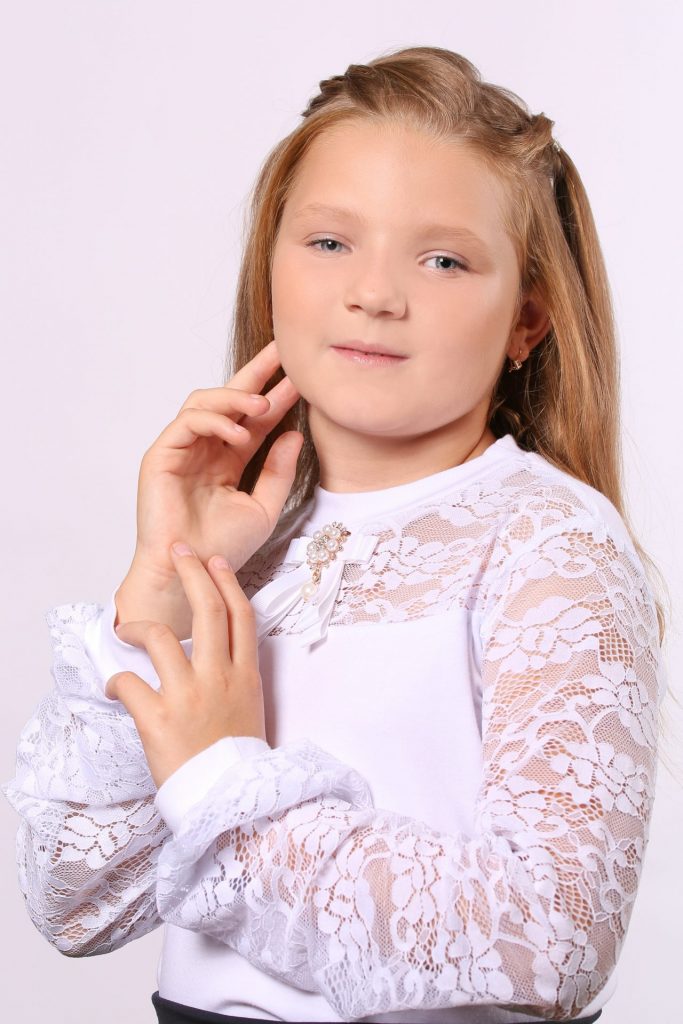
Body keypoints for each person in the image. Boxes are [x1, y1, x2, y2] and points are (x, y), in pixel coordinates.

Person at [3, 45, 669, 1024]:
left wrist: (223, 780)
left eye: (442, 260)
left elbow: (553, 943)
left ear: (526, 319)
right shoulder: (252, 540)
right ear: (270, 265)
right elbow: (78, 901)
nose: (374, 294)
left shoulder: (547, 542)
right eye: (327, 242)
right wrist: (161, 593)